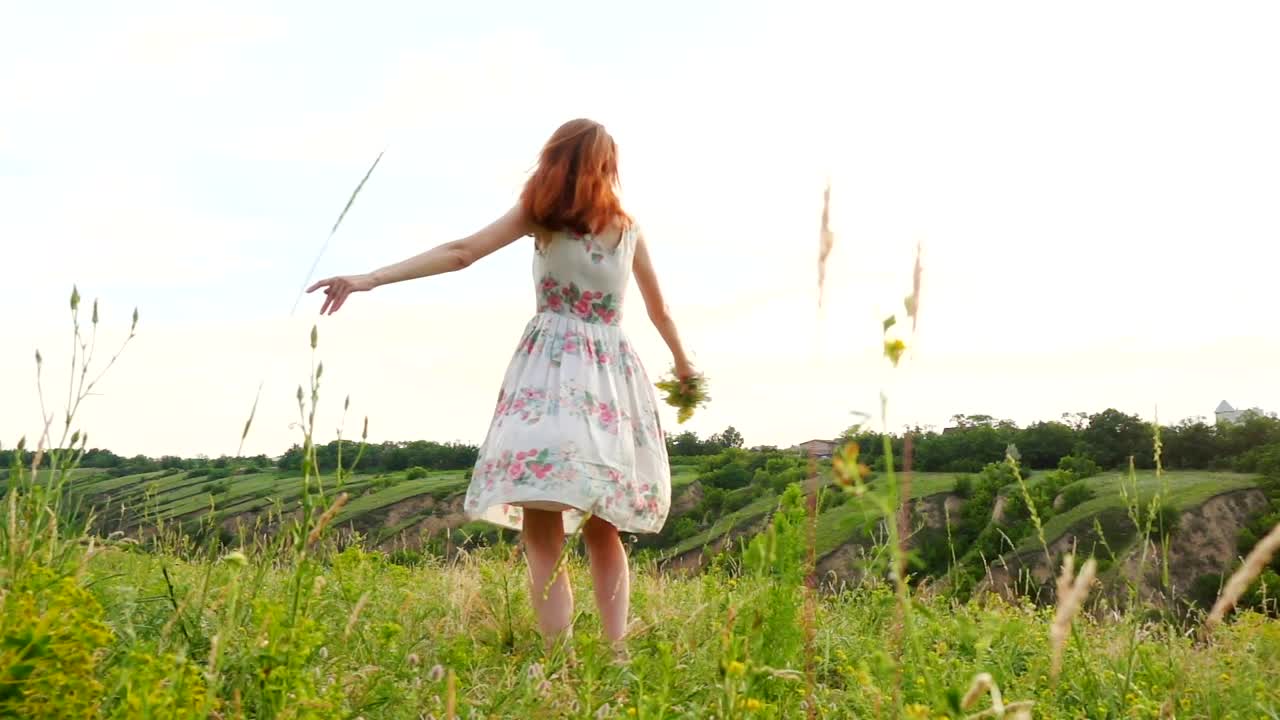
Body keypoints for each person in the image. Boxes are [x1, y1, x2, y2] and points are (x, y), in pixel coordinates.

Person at [307, 118, 694, 657]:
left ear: (554, 160)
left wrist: (370, 278)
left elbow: (461, 251)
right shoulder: (627, 228)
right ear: (609, 165)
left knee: (543, 523)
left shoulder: (541, 215)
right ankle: (616, 650)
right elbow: (660, 310)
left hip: (550, 373)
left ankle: (557, 654)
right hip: (611, 379)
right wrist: (682, 365)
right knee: (602, 526)